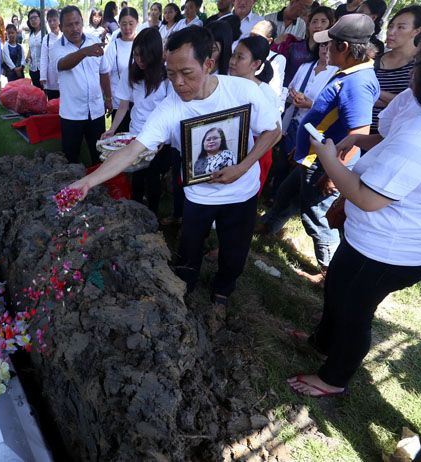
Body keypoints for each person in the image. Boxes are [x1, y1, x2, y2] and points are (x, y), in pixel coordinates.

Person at [287, 12, 421, 397]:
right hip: (373, 235)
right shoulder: (420, 102)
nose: (415, 64)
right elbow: (384, 137)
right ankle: (321, 340)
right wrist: (354, 144)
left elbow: (367, 198)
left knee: (354, 309)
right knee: (338, 287)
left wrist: (328, 155)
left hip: (395, 247)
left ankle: (334, 379)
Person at [70, 26, 281, 311]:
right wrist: (88, 182)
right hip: (198, 196)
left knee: (234, 252)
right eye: (171, 74)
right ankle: (184, 289)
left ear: (208, 64)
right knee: (188, 251)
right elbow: (134, 149)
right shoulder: (171, 107)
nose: (178, 83)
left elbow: (273, 131)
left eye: (187, 73)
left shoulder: (243, 90)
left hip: (241, 194)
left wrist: (242, 167)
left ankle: (222, 291)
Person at [290, 13, 380, 284]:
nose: (324, 49)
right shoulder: (349, 72)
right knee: (286, 196)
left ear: (344, 48)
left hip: (325, 163)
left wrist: (332, 173)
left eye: (330, 44)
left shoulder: (358, 83)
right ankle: (267, 226)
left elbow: (358, 135)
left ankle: (329, 273)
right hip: (313, 156)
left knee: (317, 217)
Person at [257, 39, 337, 233]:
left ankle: (275, 222)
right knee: (283, 171)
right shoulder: (305, 67)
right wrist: (294, 97)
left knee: (297, 181)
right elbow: (289, 89)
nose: (325, 50)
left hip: (314, 134)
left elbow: (333, 109)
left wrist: (310, 103)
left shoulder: (337, 74)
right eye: (323, 45)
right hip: (292, 124)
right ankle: (270, 220)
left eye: (330, 46)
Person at [102, 28, 177, 218]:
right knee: (136, 176)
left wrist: (162, 140)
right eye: (135, 55)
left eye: (144, 57)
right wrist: (112, 129)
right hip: (136, 133)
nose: (139, 60)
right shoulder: (131, 73)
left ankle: (152, 215)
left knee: (152, 179)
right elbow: (123, 106)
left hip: (159, 137)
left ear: (155, 55)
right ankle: (134, 214)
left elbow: (171, 113)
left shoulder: (167, 78)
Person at [51, 5, 107, 165]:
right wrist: (83, 52)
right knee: (71, 157)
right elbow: (62, 64)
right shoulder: (57, 47)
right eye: (69, 25)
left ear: (82, 22)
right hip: (72, 114)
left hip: (96, 111)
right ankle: (73, 188)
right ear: (61, 27)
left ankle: (101, 187)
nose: (75, 28)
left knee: (100, 155)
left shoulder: (94, 41)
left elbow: (104, 71)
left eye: (77, 23)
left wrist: (108, 97)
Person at [229, 35, 280, 194]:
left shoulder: (265, 92)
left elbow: (276, 133)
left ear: (256, 64)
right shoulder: (225, 84)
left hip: (254, 154)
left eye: (240, 57)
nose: (232, 61)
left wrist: (251, 159)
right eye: (233, 54)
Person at [370, 5, 421, 134]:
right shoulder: (373, 60)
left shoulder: (420, 66)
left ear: (417, 31)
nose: (391, 32)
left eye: (401, 27)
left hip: (387, 136)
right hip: (355, 129)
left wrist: (373, 91)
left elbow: (409, 105)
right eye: (390, 26)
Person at [275, 6, 335, 88]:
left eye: (323, 21)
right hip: (285, 92)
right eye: (314, 22)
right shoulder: (293, 45)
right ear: (308, 25)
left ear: (330, 25)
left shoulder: (331, 52)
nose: (318, 25)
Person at [100, 7, 138, 134]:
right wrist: (107, 98)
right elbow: (105, 72)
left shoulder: (142, 44)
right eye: (124, 24)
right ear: (119, 24)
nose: (127, 28)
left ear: (137, 23)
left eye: (131, 23)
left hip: (139, 103)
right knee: (120, 140)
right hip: (119, 102)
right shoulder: (114, 45)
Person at [250, 20, 287, 107]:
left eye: (256, 36)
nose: (252, 39)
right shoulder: (243, 53)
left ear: (269, 41)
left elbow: (275, 94)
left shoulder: (277, 60)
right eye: (251, 35)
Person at [40, 9, 63, 99]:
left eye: (54, 20)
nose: (52, 23)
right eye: (50, 21)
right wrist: (43, 76)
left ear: (59, 20)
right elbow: (44, 58)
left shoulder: (65, 36)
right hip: (51, 75)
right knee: (52, 101)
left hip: (64, 74)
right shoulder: (46, 39)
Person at [25, 9, 43, 88]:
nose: (33, 20)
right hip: (33, 68)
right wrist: (28, 57)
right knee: (36, 92)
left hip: (42, 68)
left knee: (44, 92)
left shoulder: (44, 33)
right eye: (31, 18)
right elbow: (31, 48)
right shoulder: (31, 34)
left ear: (40, 18)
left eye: (35, 17)